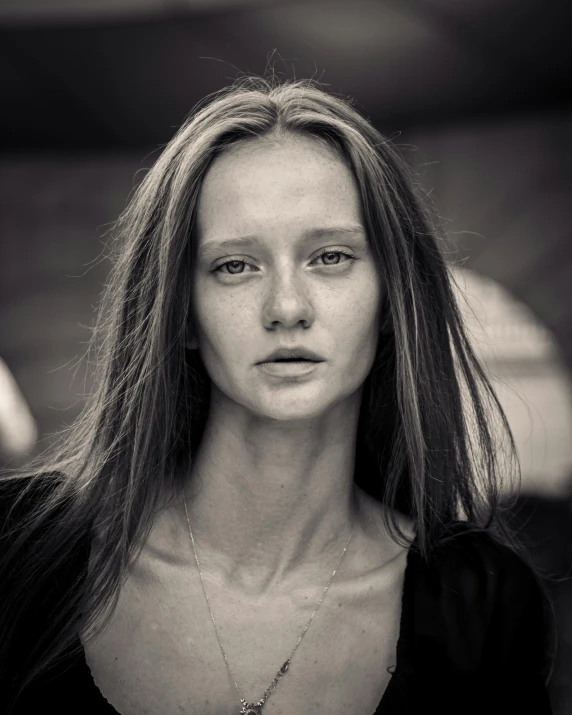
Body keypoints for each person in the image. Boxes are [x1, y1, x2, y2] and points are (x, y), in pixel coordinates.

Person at [0, 75, 556, 715]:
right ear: (181, 312)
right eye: (236, 265)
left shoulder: (479, 606)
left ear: (390, 299)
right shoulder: (19, 552)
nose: (287, 308)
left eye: (331, 257)